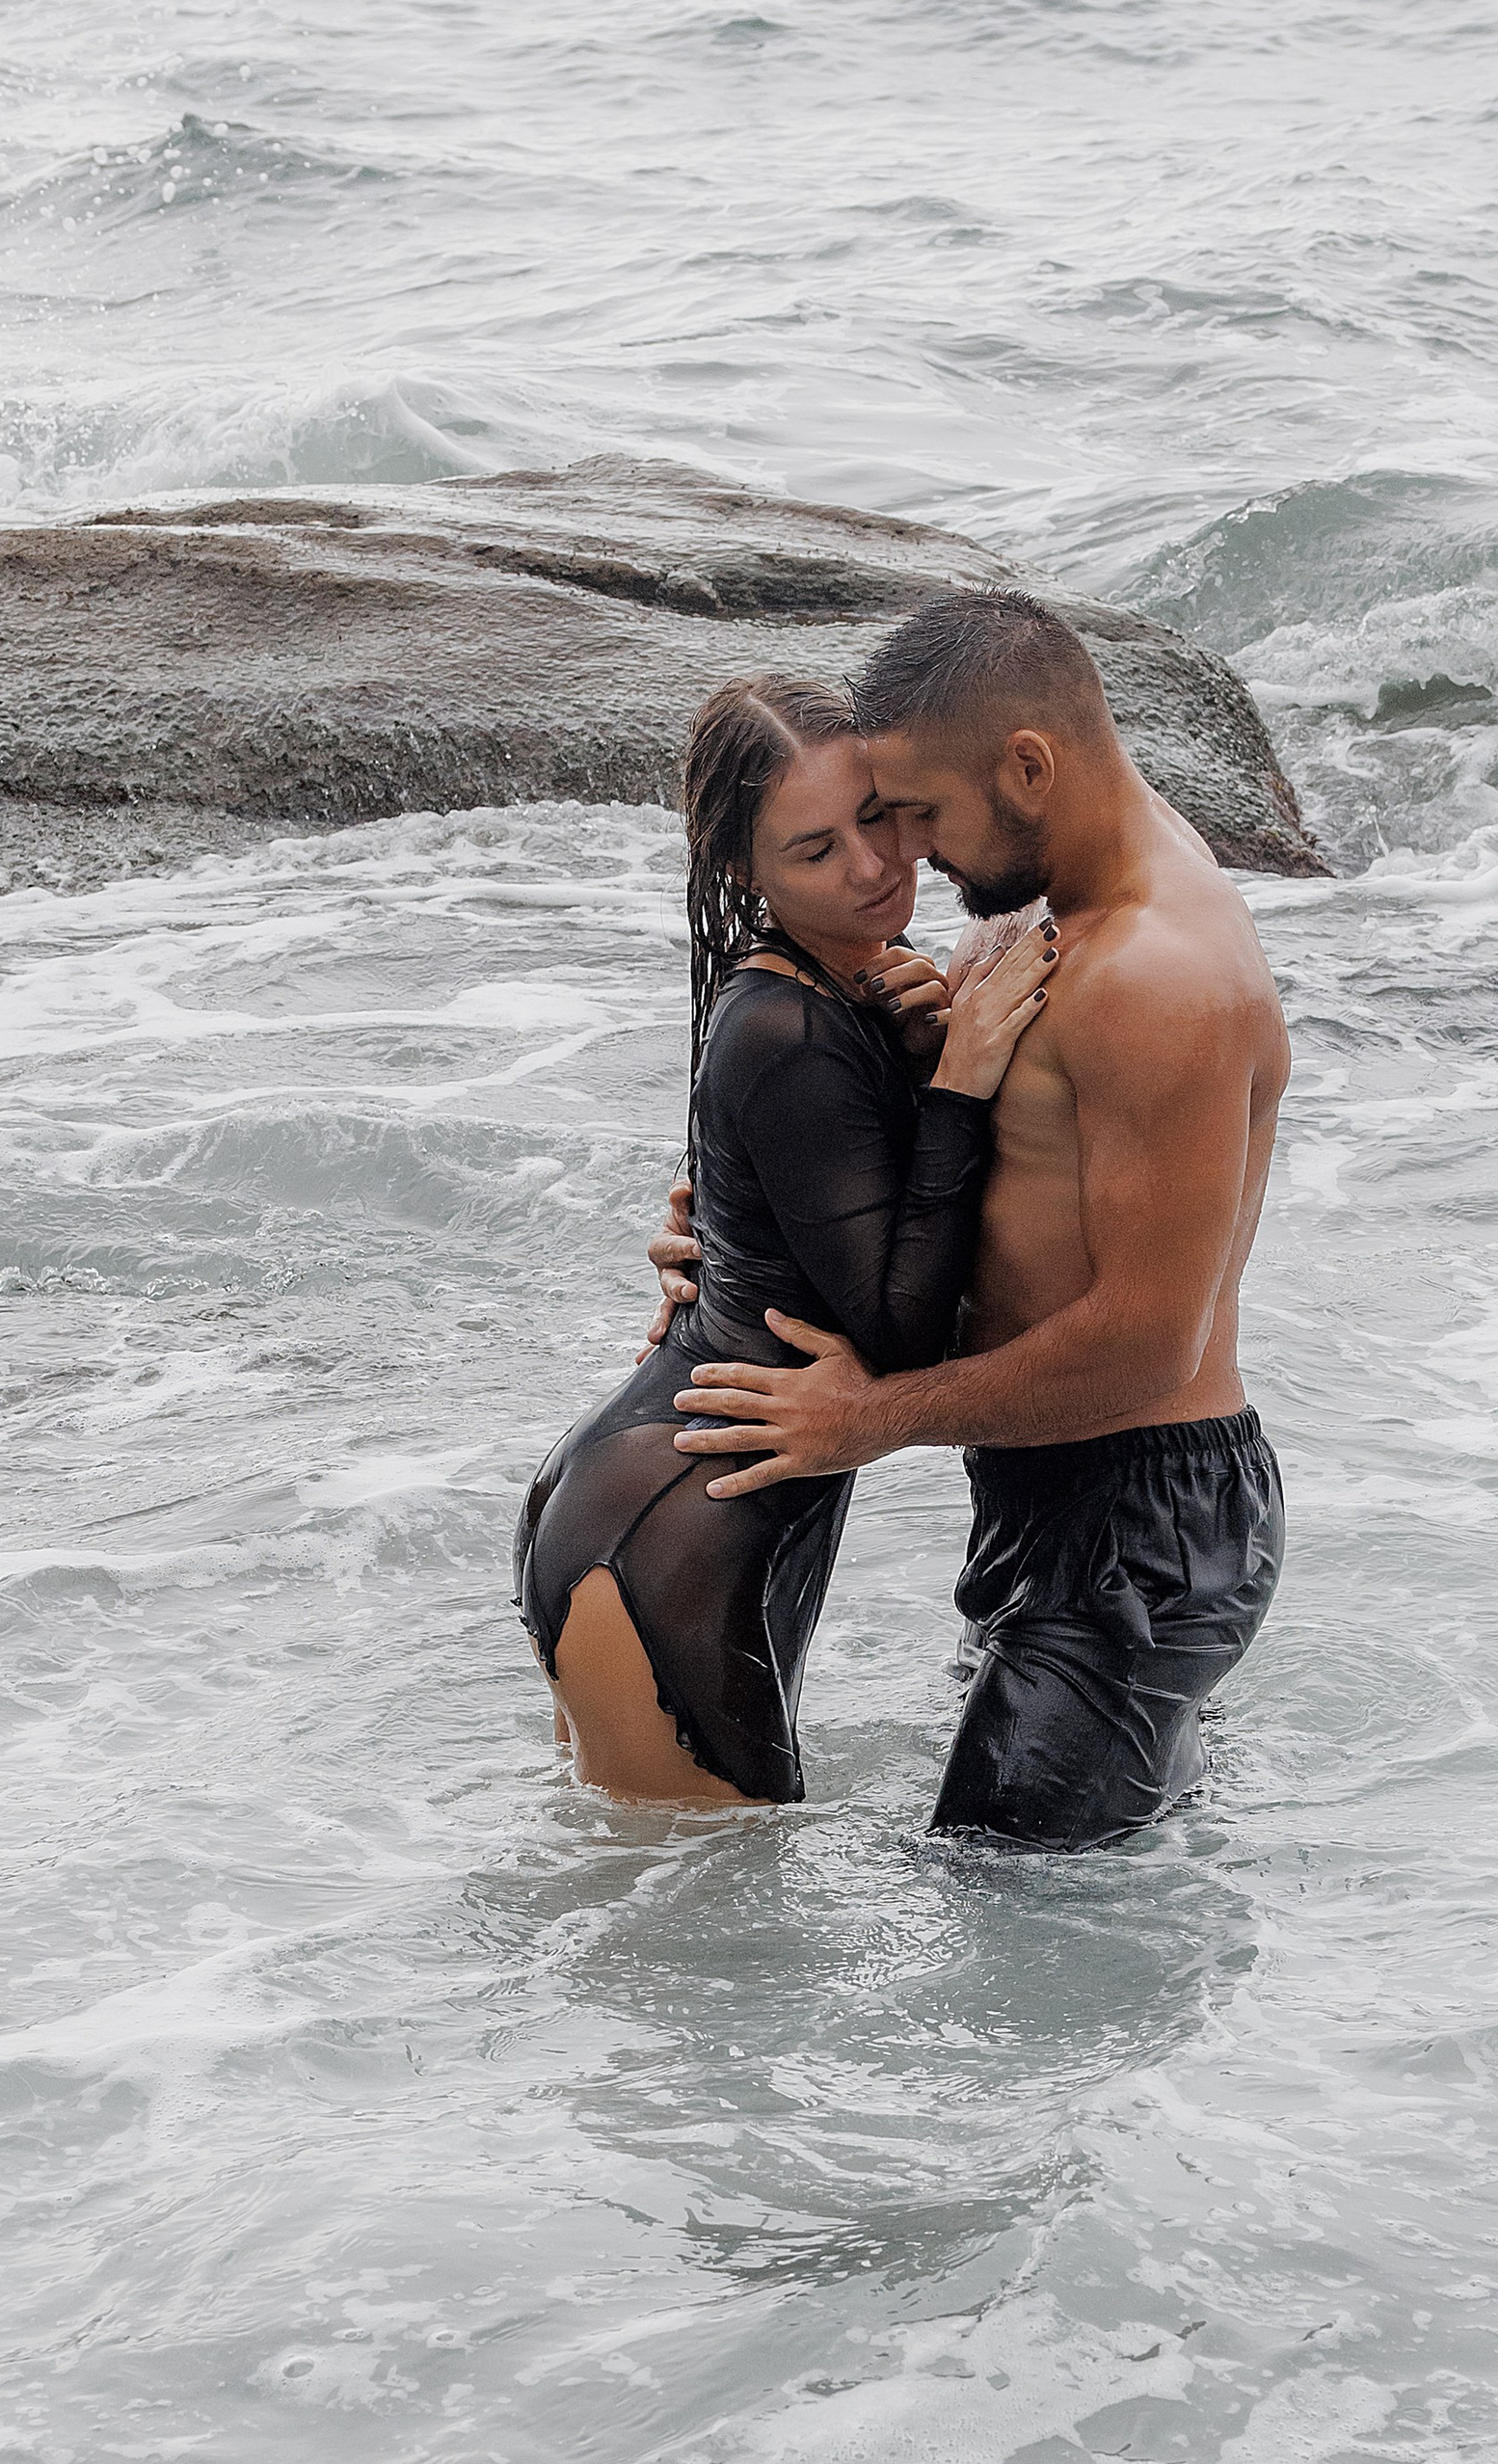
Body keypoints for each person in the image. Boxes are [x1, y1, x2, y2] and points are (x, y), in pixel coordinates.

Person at [667, 588, 1289, 1850]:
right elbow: (1018, 1167)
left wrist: (867, 1424)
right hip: (1048, 1496)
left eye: (925, 818)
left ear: (1025, 765)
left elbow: (1145, 1343)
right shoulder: (1053, 878)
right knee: (1041, 1897)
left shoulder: (1156, 979)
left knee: (1005, 1929)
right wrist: (747, 1227)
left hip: (1141, 1530)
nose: (911, 856)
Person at [513, 676, 1051, 1803]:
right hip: (663, 1552)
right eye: (813, 851)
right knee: (705, 1966)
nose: (869, 868)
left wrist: (913, 1055)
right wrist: (956, 1087)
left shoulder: (835, 994)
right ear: (745, 875)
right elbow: (897, 1335)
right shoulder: (787, 1028)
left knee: (659, 1937)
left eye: (876, 817)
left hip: (653, 1514)